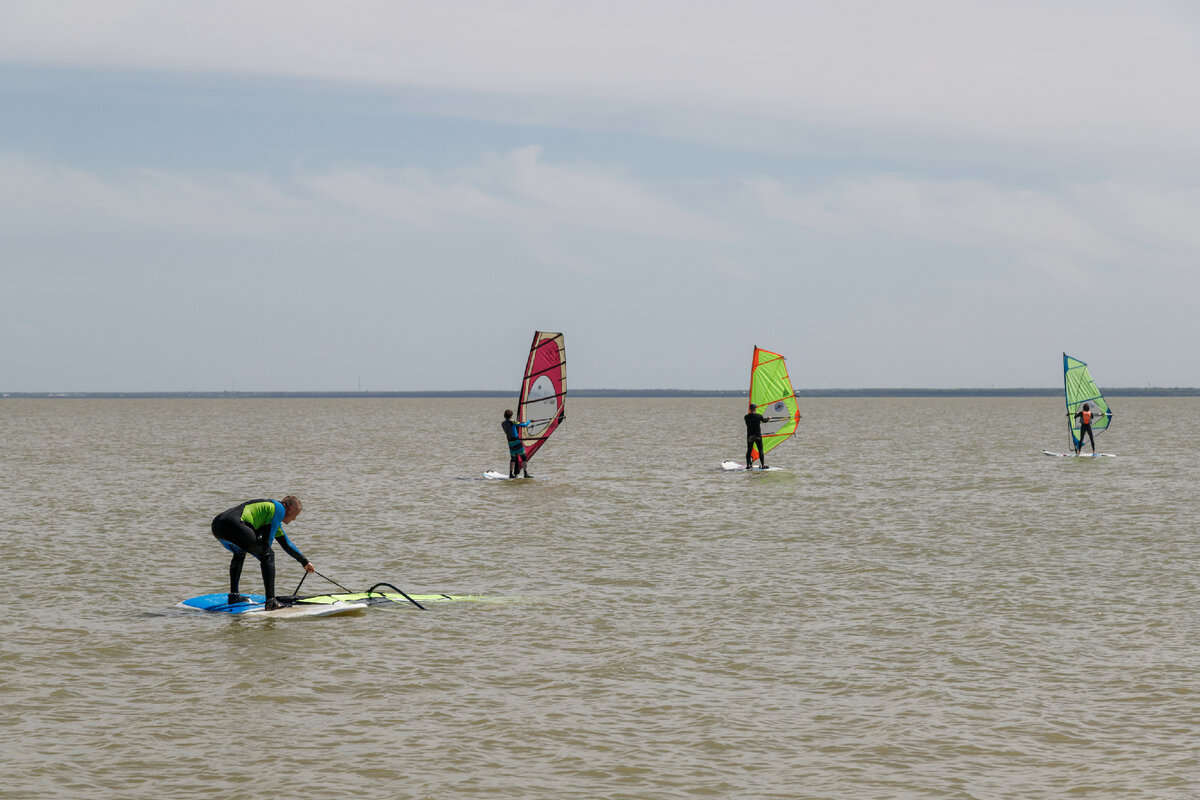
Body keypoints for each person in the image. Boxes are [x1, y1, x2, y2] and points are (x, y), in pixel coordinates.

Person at [210, 495, 315, 610]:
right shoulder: (279, 508)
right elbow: (267, 543)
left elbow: (286, 544)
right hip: (234, 524)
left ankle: (234, 596)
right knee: (268, 554)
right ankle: (271, 602)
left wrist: (304, 562)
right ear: (290, 509)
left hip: (217, 525)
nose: (294, 519)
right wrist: (265, 554)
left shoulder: (272, 515)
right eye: (296, 514)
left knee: (240, 553)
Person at [502, 409, 533, 478]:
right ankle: (525, 474)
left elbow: (511, 428)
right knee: (524, 457)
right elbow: (524, 425)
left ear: (504, 416)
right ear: (511, 415)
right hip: (517, 442)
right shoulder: (512, 421)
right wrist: (530, 421)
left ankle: (510, 474)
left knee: (512, 459)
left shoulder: (503, 423)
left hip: (510, 444)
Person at [744, 403, 776, 470]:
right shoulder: (759, 416)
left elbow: (750, 422)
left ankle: (748, 465)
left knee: (749, 451)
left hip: (750, 436)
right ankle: (763, 465)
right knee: (760, 450)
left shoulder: (746, 417)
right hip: (757, 436)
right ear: (755, 409)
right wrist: (768, 418)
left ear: (750, 409)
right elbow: (764, 421)